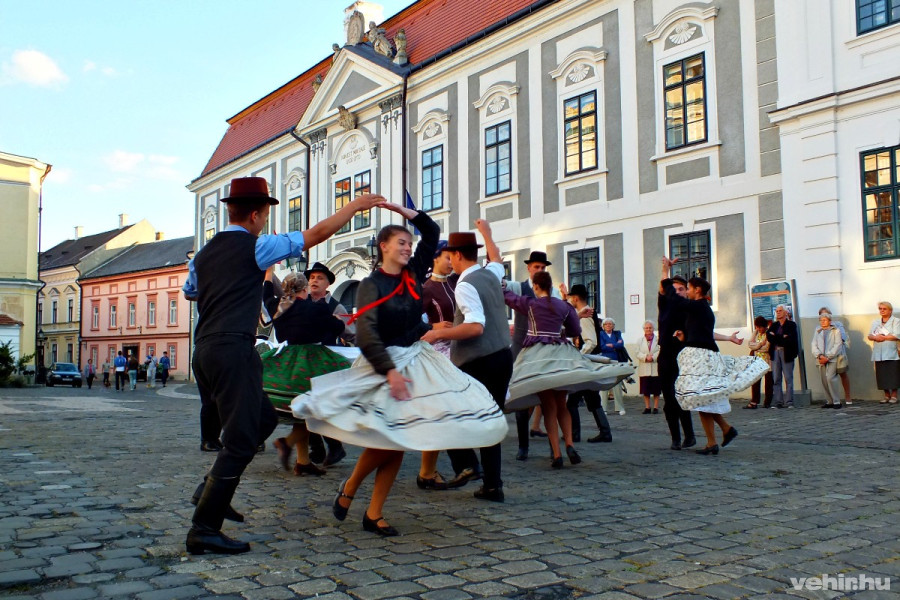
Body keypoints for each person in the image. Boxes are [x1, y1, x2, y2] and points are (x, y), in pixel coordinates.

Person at [181, 176, 384, 555]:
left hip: (205, 350)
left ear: (230, 210)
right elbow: (316, 233)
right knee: (242, 440)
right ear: (256, 215)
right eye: (266, 214)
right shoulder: (256, 246)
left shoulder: (204, 254)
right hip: (232, 348)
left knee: (263, 418)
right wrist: (356, 207)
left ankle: (210, 490)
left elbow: (190, 291)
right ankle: (204, 527)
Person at [295, 205, 507, 533]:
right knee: (388, 438)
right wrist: (390, 371)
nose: (408, 248)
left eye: (410, 243)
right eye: (401, 243)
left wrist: (397, 209)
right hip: (384, 364)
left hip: (417, 359)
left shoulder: (412, 273)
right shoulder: (371, 285)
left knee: (398, 437)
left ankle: (368, 507)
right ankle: (357, 496)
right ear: (383, 247)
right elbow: (365, 334)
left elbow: (432, 232)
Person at [421, 219, 515, 501]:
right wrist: (487, 233)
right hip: (502, 355)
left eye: (450, 255)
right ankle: (492, 485)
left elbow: (475, 326)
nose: (449, 260)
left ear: (457, 256)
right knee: (491, 419)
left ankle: (467, 465)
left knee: (448, 411)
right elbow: (496, 256)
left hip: (478, 360)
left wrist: (438, 335)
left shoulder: (465, 285)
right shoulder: (491, 273)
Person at [503, 270, 633, 469]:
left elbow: (509, 298)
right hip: (562, 354)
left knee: (548, 407)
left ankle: (556, 454)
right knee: (562, 404)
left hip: (538, 357)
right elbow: (574, 331)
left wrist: (499, 283)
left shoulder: (531, 304)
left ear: (536, 286)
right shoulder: (564, 305)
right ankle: (570, 444)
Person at [662, 258, 767, 454]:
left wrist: (665, 274)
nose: (688, 291)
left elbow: (674, 300)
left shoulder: (699, 306)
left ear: (698, 291)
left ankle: (717, 437)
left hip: (701, 358)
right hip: (703, 354)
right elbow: (704, 332)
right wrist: (687, 335)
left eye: (689, 288)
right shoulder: (702, 310)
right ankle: (721, 434)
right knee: (703, 398)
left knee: (701, 397)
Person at [261, 270, 349, 476]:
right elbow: (337, 328)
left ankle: (303, 461)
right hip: (312, 360)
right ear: (304, 289)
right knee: (313, 410)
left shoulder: (276, 306)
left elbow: (266, 294)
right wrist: (334, 319)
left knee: (303, 413)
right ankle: (287, 442)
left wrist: (268, 274)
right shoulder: (315, 308)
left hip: (287, 359)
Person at [506, 250, 559, 461]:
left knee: (549, 398)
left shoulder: (551, 291)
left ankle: (554, 447)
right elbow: (500, 288)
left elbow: (559, 312)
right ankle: (523, 446)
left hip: (543, 350)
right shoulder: (519, 287)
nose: (539, 270)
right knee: (521, 396)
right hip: (520, 348)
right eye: (536, 267)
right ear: (528, 268)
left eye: (542, 268)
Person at [417, 239, 457, 490]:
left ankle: (431, 469)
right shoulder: (426, 288)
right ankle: (427, 470)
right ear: (435, 258)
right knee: (439, 411)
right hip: (440, 352)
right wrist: (434, 326)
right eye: (447, 256)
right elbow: (410, 322)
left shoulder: (458, 283)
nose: (452, 261)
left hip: (462, 346)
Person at [303, 261, 351, 468]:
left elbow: (351, 333)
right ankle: (321, 448)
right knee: (306, 406)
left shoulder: (336, 306)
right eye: (312, 277)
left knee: (318, 406)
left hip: (326, 361)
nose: (314, 280)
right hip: (304, 360)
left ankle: (330, 447)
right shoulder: (302, 302)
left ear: (327, 285)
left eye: (319, 278)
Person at [563, 283, 613, 444]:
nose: (570, 300)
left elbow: (590, 342)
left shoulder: (585, 316)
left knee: (572, 402)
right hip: (588, 363)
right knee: (590, 398)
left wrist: (579, 357)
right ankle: (604, 432)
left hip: (586, 363)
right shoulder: (587, 313)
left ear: (576, 298)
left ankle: (575, 434)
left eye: (571, 297)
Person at [657, 265, 695, 451]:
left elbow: (700, 334)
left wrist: (684, 336)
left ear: (687, 292)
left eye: (681, 289)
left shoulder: (690, 309)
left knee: (681, 397)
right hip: (665, 355)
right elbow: (663, 289)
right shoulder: (665, 305)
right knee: (669, 400)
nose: (678, 292)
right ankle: (675, 438)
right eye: (675, 289)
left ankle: (689, 435)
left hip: (683, 356)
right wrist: (665, 270)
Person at [767, 304, 799, 409]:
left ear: (786, 312)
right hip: (775, 353)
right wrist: (781, 337)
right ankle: (778, 402)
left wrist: (776, 337)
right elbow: (769, 337)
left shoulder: (791, 325)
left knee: (788, 378)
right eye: (776, 311)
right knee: (776, 378)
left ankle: (789, 401)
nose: (778, 312)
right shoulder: (774, 325)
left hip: (787, 353)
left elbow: (789, 340)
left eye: (780, 310)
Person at [867, 301, 900, 404]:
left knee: (893, 373)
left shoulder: (896, 321)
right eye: (880, 309)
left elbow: (897, 335)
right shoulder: (876, 322)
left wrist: (883, 337)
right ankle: (886, 395)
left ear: (890, 310)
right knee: (881, 374)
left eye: (884, 309)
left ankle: (894, 395)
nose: (882, 310)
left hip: (891, 351)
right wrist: (875, 337)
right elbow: (870, 335)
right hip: (879, 351)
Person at [819, 307, 851, 405]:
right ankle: (831, 399)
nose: (824, 317)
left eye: (826, 315)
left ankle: (848, 395)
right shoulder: (819, 328)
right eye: (822, 315)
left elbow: (843, 338)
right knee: (827, 377)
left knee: (842, 373)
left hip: (838, 354)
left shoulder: (837, 325)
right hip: (824, 356)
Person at [812, 312, 844, 409]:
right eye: (821, 320)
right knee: (824, 380)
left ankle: (836, 401)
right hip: (820, 359)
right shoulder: (818, 330)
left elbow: (838, 345)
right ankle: (829, 401)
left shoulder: (836, 331)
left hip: (831, 359)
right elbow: (814, 344)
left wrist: (828, 357)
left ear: (830, 321)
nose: (822, 322)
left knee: (830, 378)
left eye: (825, 320)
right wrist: (819, 355)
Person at [598, 318, 627, 415]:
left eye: (610, 324)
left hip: (616, 360)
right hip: (604, 360)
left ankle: (620, 407)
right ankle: (604, 408)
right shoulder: (601, 334)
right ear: (603, 326)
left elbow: (621, 344)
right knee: (604, 383)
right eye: (606, 324)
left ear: (613, 326)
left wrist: (612, 345)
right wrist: (614, 345)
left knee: (617, 383)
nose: (608, 326)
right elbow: (602, 346)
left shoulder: (617, 333)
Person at [744, 316, 774, 409]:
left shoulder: (768, 333)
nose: (759, 329)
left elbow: (767, 348)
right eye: (757, 327)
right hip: (757, 361)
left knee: (768, 382)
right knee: (755, 382)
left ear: (765, 326)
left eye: (761, 327)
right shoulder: (755, 333)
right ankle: (754, 401)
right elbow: (750, 344)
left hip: (767, 361)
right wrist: (760, 344)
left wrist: (756, 346)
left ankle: (767, 402)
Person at [636, 321, 661, 414]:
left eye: (650, 328)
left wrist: (653, 357)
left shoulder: (658, 339)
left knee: (656, 389)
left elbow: (660, 350)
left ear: (653, 329)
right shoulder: (640, 340)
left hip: (655, 366)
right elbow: (637, 352)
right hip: (644, 366)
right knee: (645, 389)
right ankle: (647, 407)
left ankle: (655, 407)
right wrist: (645, 357)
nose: (648, 329)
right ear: (644, 329)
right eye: (646, 328)